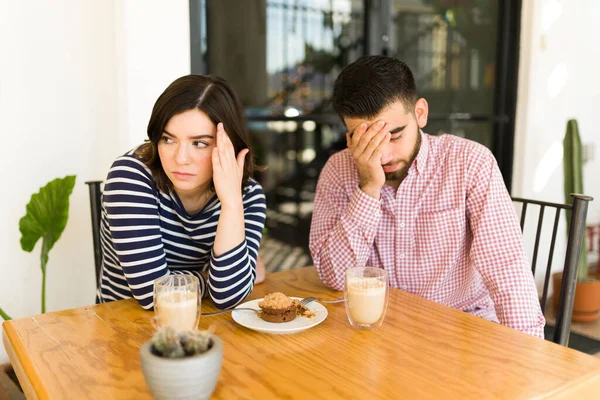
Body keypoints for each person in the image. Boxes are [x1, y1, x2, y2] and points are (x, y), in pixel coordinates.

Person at [309, 55, 545, 338]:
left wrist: (531, 357)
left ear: (420, 113)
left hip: (461, 329)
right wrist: (369, 187)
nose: (382, 156)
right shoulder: (338, 170)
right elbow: (336, 277)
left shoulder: (470, 163)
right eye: (363, 141)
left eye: (394, 136)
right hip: (380, 331)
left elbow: (506, 270)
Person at [97, 74, 266, 310]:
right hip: (124, 328)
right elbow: (152, 294)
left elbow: (228, 296)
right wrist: (209, 279)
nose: (180, 158)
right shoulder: (131, 174)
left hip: (205, 327)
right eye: (168, 139)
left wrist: (231, 204)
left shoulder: (248, 196)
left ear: (229, 145)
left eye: (199, 143)